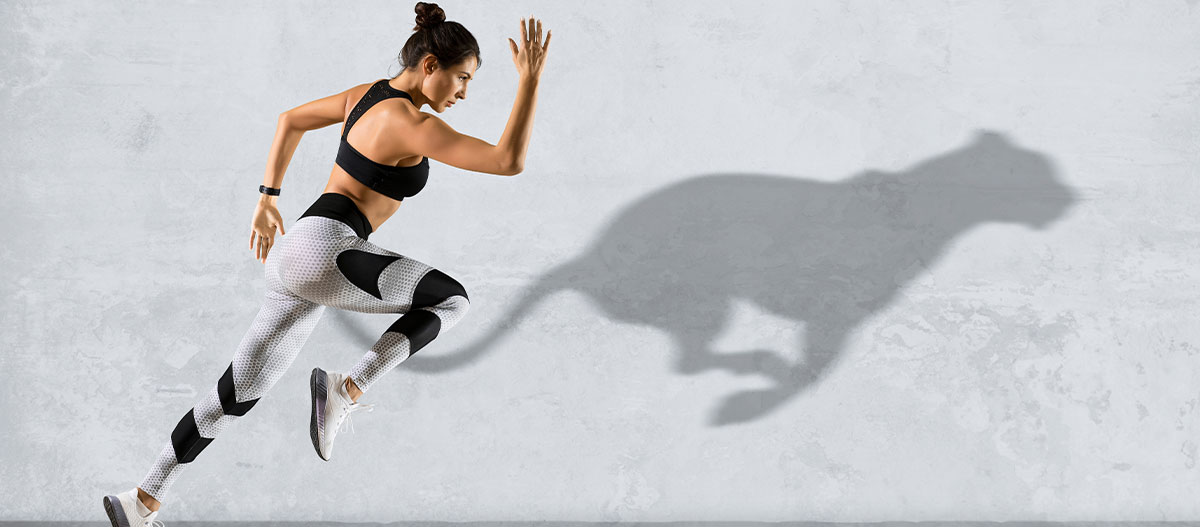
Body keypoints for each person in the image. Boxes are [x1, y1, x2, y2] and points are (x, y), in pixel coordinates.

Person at [101, 3, 551, 525]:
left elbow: (289, 120)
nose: (463, 93)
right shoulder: (410, 121)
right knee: (452, 299)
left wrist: (268, 197)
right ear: (430, 65)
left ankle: (143, 499)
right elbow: (506, 161)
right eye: (462, 78)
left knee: (236, 392)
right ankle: (348, 387)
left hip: (297, 255)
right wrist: (531, 82)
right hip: (329, 250)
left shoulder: (364, 97)